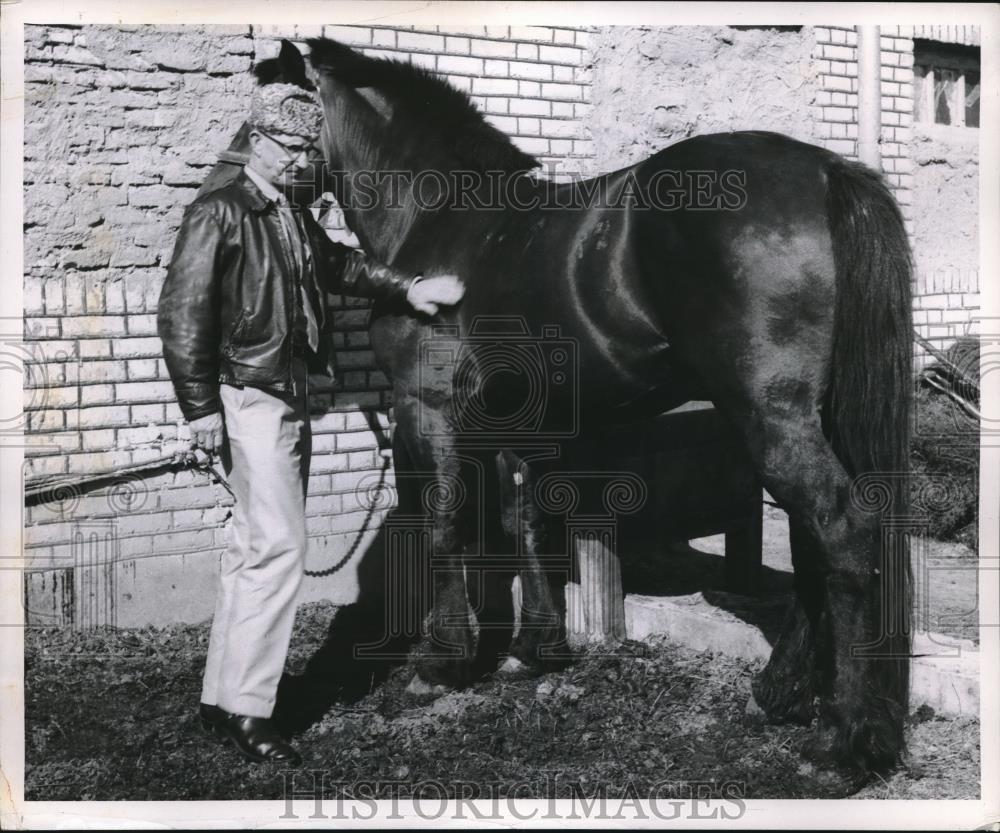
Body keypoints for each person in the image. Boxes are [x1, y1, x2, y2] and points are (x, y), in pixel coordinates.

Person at [156, 83, 464, 766]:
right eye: (292, 147)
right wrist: (202, 410)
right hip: (250, 398)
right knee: (280, 550)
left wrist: (407, 287)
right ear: (260, 139)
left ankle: (225, 695)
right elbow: (181, 317)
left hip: (288, 397)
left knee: (251, 550)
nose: (302, 160)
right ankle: (251, 710)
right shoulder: (222, 209)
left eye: (306, 148)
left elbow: (336, 263)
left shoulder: (285, 208)